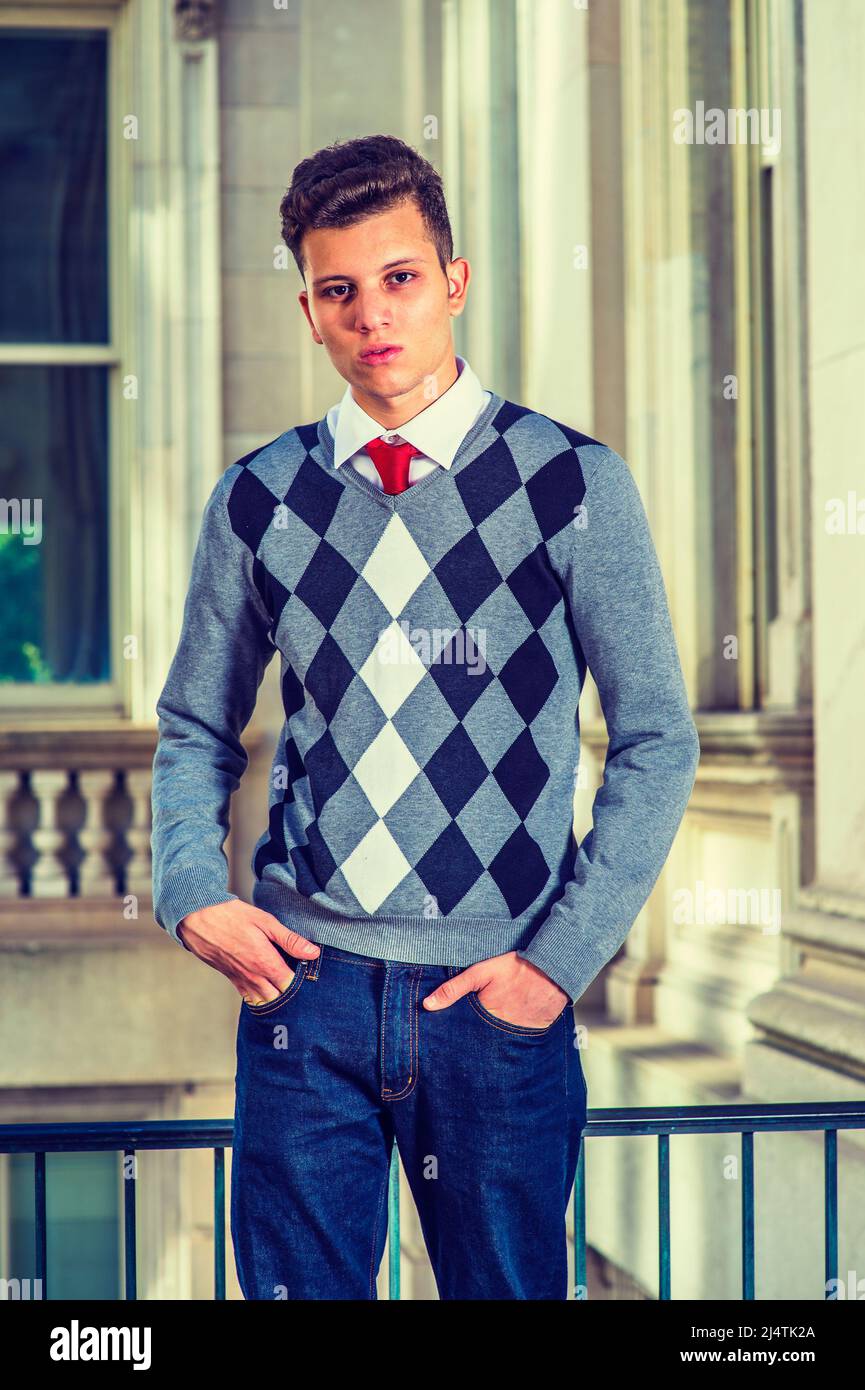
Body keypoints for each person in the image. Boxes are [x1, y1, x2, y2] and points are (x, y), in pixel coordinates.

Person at [150, 133, 700, 1300]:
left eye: (399, 278)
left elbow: (656, 737)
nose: (372, 315)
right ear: (308, 310)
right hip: (308, 996)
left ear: (452, 281)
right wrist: (192, 886)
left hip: (496, 1002)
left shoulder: (569, 483)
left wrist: (555, 965)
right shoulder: (256, 500)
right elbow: (197, 726)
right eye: (339, 290)